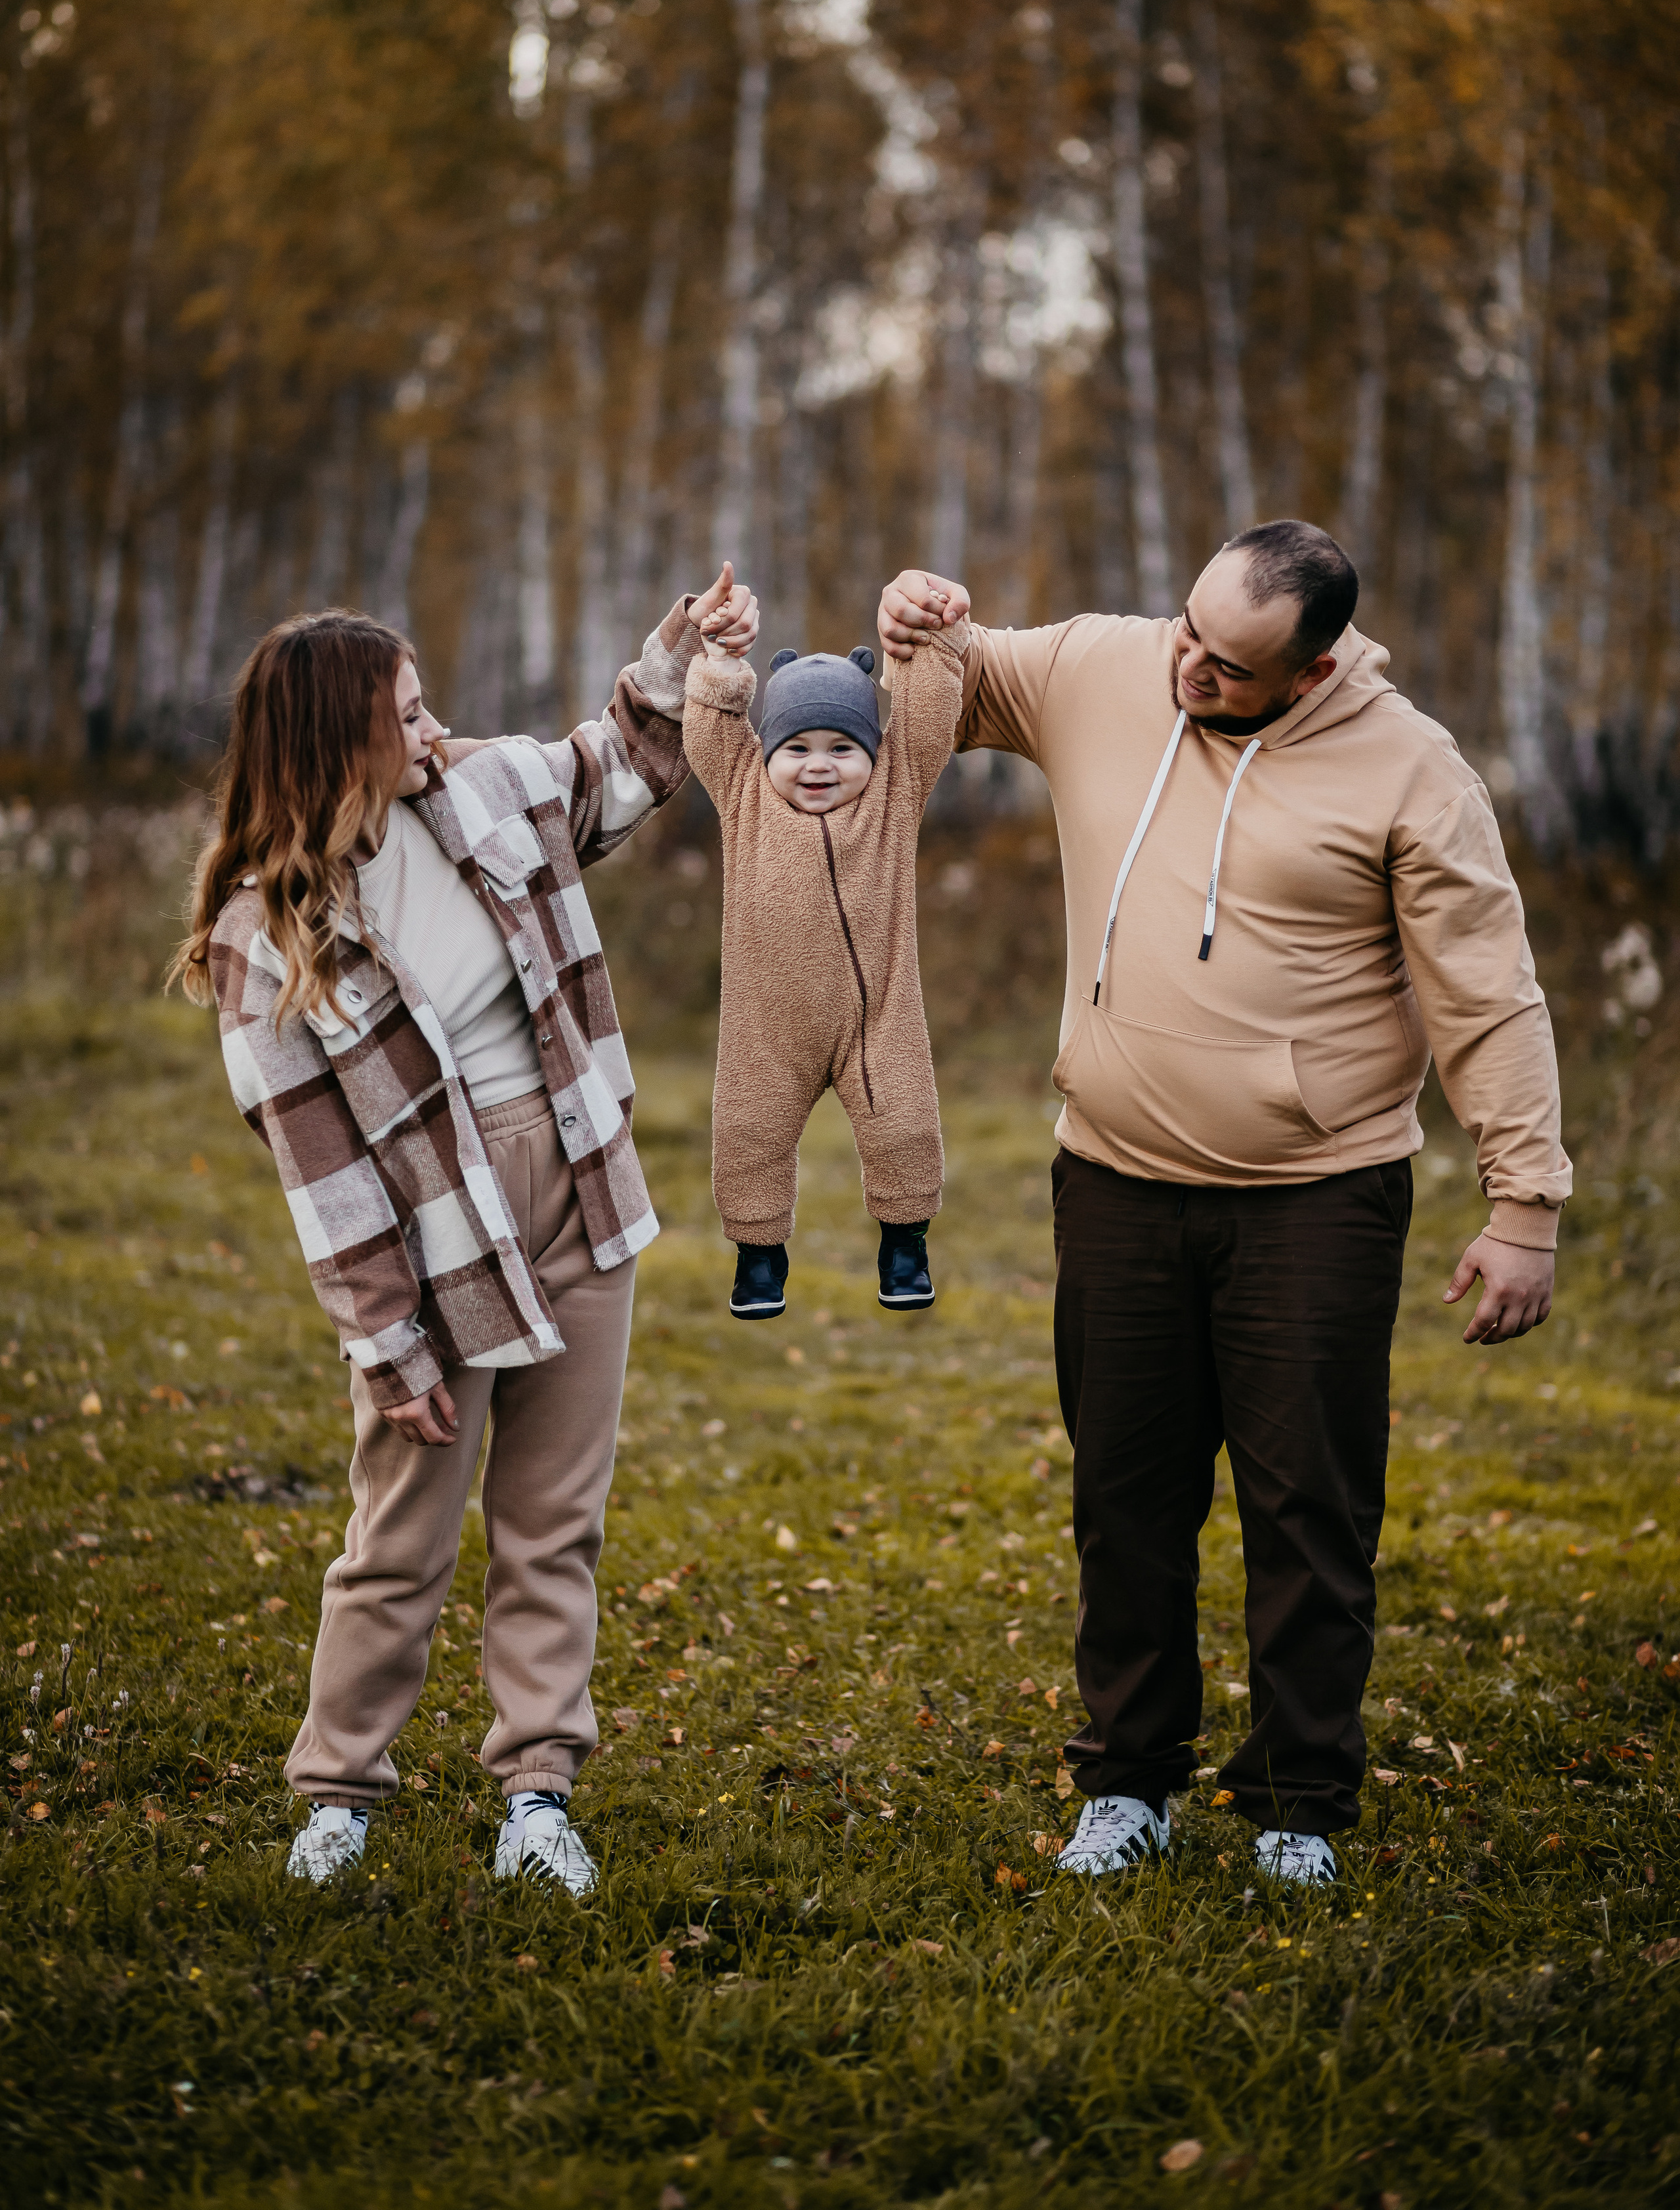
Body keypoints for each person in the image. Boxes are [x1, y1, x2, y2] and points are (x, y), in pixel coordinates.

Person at [879, 521, 1568, 1887]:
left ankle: (1296, 1801)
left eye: (1230, 663)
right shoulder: (1108, 666)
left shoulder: (1410, 770)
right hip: (1114, 1184)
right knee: (1124, 1498)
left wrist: (1525, 1204)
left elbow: (1487, 995)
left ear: (1311, 672)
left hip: (1315, 1199)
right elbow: (952, 685)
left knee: (1308, 1509)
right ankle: (1127, 1784)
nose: (1189, 667)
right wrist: (917, 621)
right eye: (1188, 629)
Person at [171, 566, 758, 1889]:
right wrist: (387, 1341)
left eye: (427, 703)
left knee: (553, 1525)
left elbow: (620, 762)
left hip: (578, 1193)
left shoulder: (484, 790)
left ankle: (538, 1794)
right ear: (338, 744)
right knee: (402, 1540)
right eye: (407, 714)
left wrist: (685, 644)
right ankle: (339, 1795)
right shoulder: (267, 935)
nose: (433, 729)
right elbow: (321, 1172)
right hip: (434, 1240)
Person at [682, 610, 969, 1319]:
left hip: (879, 1020)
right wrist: (720, 663)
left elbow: (929, 722)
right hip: (767, 1027)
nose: (818, 765)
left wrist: (931, 644)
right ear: (767, 751)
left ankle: (905, 1244)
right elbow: (709, 732)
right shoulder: (745, 793)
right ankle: (758, 1255)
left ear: (872, 752)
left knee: (905, 1127)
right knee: (748, 1137)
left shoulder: (894, 795)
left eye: (842, 747)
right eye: (798, 748)